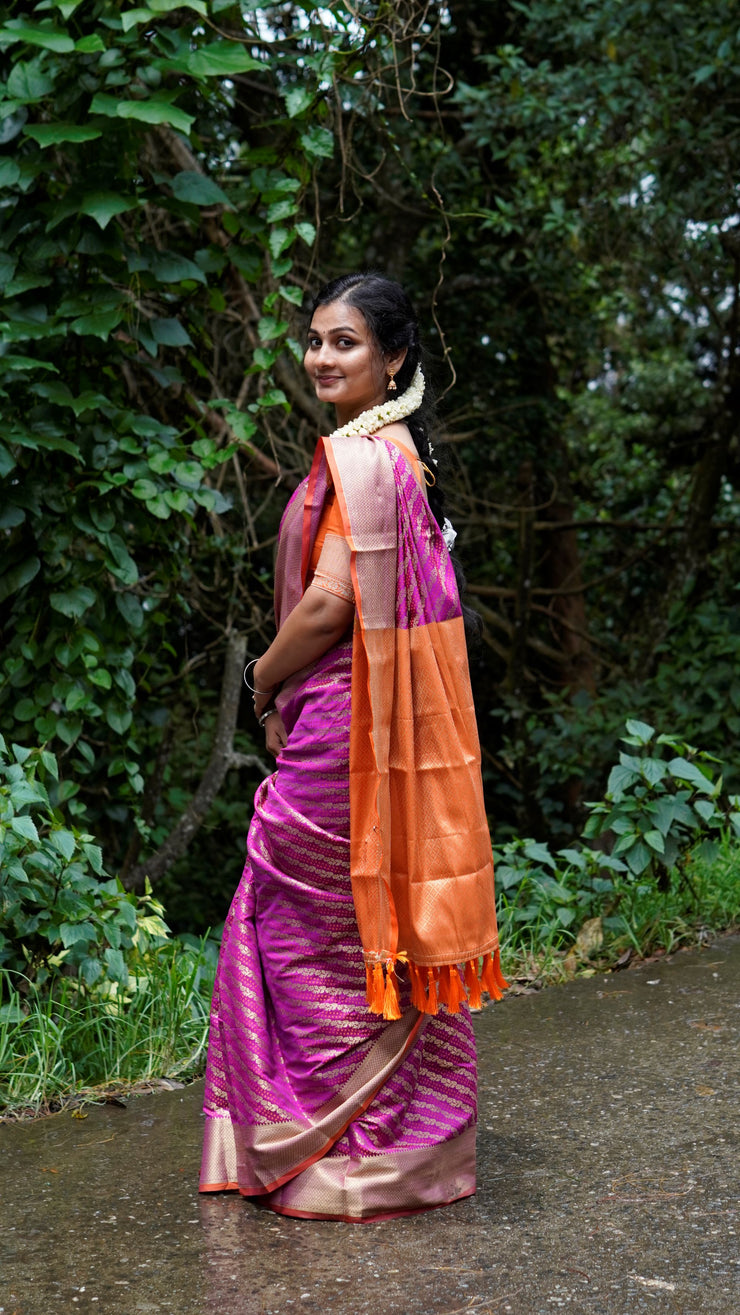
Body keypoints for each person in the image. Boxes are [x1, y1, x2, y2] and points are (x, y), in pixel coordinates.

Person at [199, 272, 506, 1221]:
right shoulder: (396, 455)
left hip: (342, 735)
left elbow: (331, 604)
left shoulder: (368, 463)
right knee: (352, 927)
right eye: (317, 340)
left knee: (300, 924)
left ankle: (322, 1144)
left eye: (347, 343)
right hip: (368, 727)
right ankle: (399, 1144)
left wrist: (261, 675)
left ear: (395, 358)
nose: (324, 357)